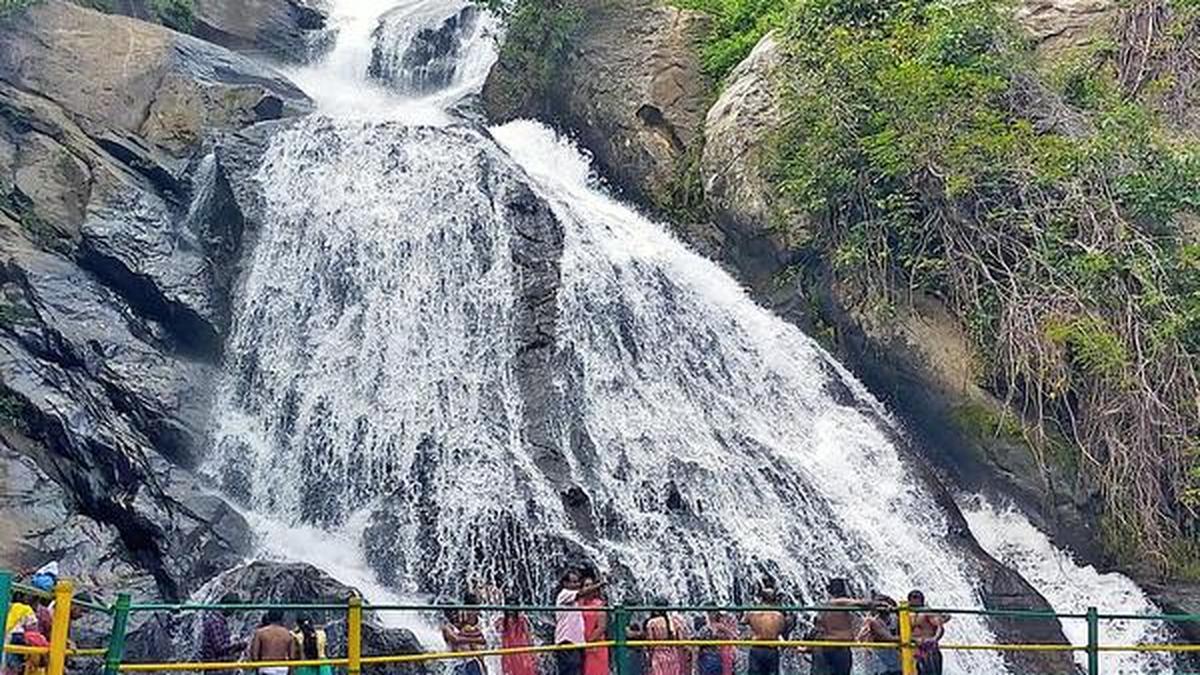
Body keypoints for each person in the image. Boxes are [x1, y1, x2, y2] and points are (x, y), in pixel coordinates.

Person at [554, 568, 605, 675]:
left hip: (577, 643)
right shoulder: (565, 594)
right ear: (565, 583)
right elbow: (582, 593)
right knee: (570, 670)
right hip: (567, 641)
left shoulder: (578, 601)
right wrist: (600, 584)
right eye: (573, 582)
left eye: (577, 582)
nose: (576, 585)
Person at [811, 579, 865, 675]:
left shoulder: (825, 606)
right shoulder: (839, 602)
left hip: (826, 647)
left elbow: (818, 629)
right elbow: (862, 604)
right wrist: (878, 604)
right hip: (839, 648)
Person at [744, 585, 786, 675]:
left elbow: (743, 622)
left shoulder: (752, 613)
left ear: (761, 598)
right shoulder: (778, 616)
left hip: (757, 647)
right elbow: (781, 630)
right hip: (771, 648)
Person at [908, 591, 949, 675]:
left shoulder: (928, 612)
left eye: (916, 597)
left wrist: (933, 639)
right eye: (912, 597)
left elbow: (939, 628)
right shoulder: (905, 613)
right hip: (913, 650)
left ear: (922, 599)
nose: (914, 599)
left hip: (929, 649)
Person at [857, 596, 901, 675]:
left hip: (895, 656)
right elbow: (888, 638)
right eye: (880, 605)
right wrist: (912, 639)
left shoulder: (895, 618)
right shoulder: (873, 621)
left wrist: (897, 610)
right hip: (880, 658)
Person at [644, 601, 688, 675]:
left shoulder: (651, 623)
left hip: (658, 656)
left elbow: (650, 643)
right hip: (673, 655)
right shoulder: (675, 621)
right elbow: (681, 640)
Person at [199, 594, 246, 662]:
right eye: (233, 609)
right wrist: (240, 645)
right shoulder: (216, 621)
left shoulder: (218, 620)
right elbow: (220, 648)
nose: (234, 612)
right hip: (216, 665)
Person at [247, 609, 293, 675]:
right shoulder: (288, 634)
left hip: (266, 668)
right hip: (282, 669)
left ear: (268, 617)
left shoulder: (260, 633)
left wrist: (257, 670)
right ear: (282, 618)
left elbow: (254, 654)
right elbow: (292, 656)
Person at [495, 606, 537, 675]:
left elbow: (528, 636)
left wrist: (532, 653)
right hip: (510, 649)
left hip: (520, 650)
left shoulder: (522, 620)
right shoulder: (501, 621)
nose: (511, 613)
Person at [580, 575, 608, 675]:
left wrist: (589, 642)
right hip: (583, 645)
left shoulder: (599, 604)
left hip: (597, 645)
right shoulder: (580, 604)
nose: (589, 588)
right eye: (586, 585)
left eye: (591, 585)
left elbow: (602, 627)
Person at [695, 609, 737, 675]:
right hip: (713, 656)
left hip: (710, 656)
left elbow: (733, 636)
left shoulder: (710, 628)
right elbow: (734, 636)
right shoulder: (710, 627)